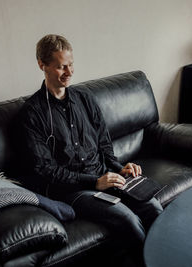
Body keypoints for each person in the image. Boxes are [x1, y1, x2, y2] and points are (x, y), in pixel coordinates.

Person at [19, 34, 163, 259]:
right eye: (61, 67)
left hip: (105, 175)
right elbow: (46, 170)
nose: (69, 72)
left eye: (71, 64)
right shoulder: (32, 114)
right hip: (73, 190)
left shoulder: (85, 99)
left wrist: (119, 167)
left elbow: (104, 145)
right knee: (129, 220)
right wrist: (95, 182)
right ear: (42, 65)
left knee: (153, 208)